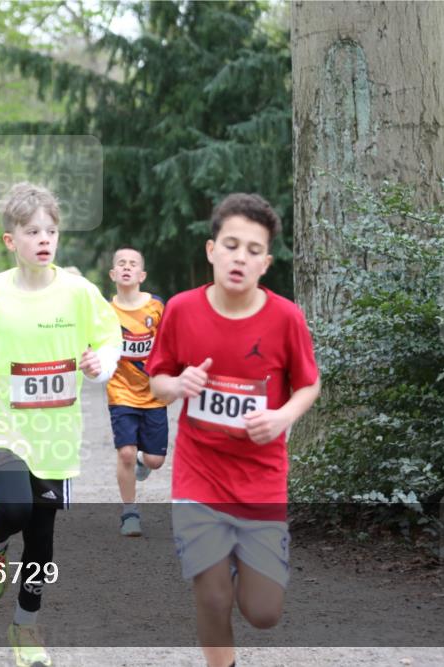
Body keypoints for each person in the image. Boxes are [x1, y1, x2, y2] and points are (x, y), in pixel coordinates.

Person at [145, 193, 321, 667]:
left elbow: (309, 384)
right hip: (199, 475)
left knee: (263, 612)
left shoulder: (286, 318)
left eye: (252, 249)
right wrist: (178, 383)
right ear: (211, 250)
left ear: (266, 262)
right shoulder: (181, 310)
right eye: (231, 244)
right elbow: (156, 383)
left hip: (260, 479)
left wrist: (283, 416)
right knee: (212, 595)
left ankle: (246, 558)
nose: (239, 256)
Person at [0, 182, 121, 667]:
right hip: (4, 426)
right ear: (12, 240)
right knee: (12, 509)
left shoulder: (79, 291)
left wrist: (102, 365)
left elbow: (108, 338)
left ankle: (25, 626)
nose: (44, 239)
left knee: (43, 538)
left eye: (51, 230)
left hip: (56, 435)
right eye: (32, 231)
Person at [106, 247, 168, 536]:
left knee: (154, 460)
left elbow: (170, 341)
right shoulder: (106, 311)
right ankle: (129, 513)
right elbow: (96, 343)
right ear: (113, 274)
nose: (127, 267)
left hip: (153, 391)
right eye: (121, 264)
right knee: (127, 453)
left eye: (133, 264)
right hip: (120, 391)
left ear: (142, 275)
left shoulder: (156, 307)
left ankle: (145, 462)